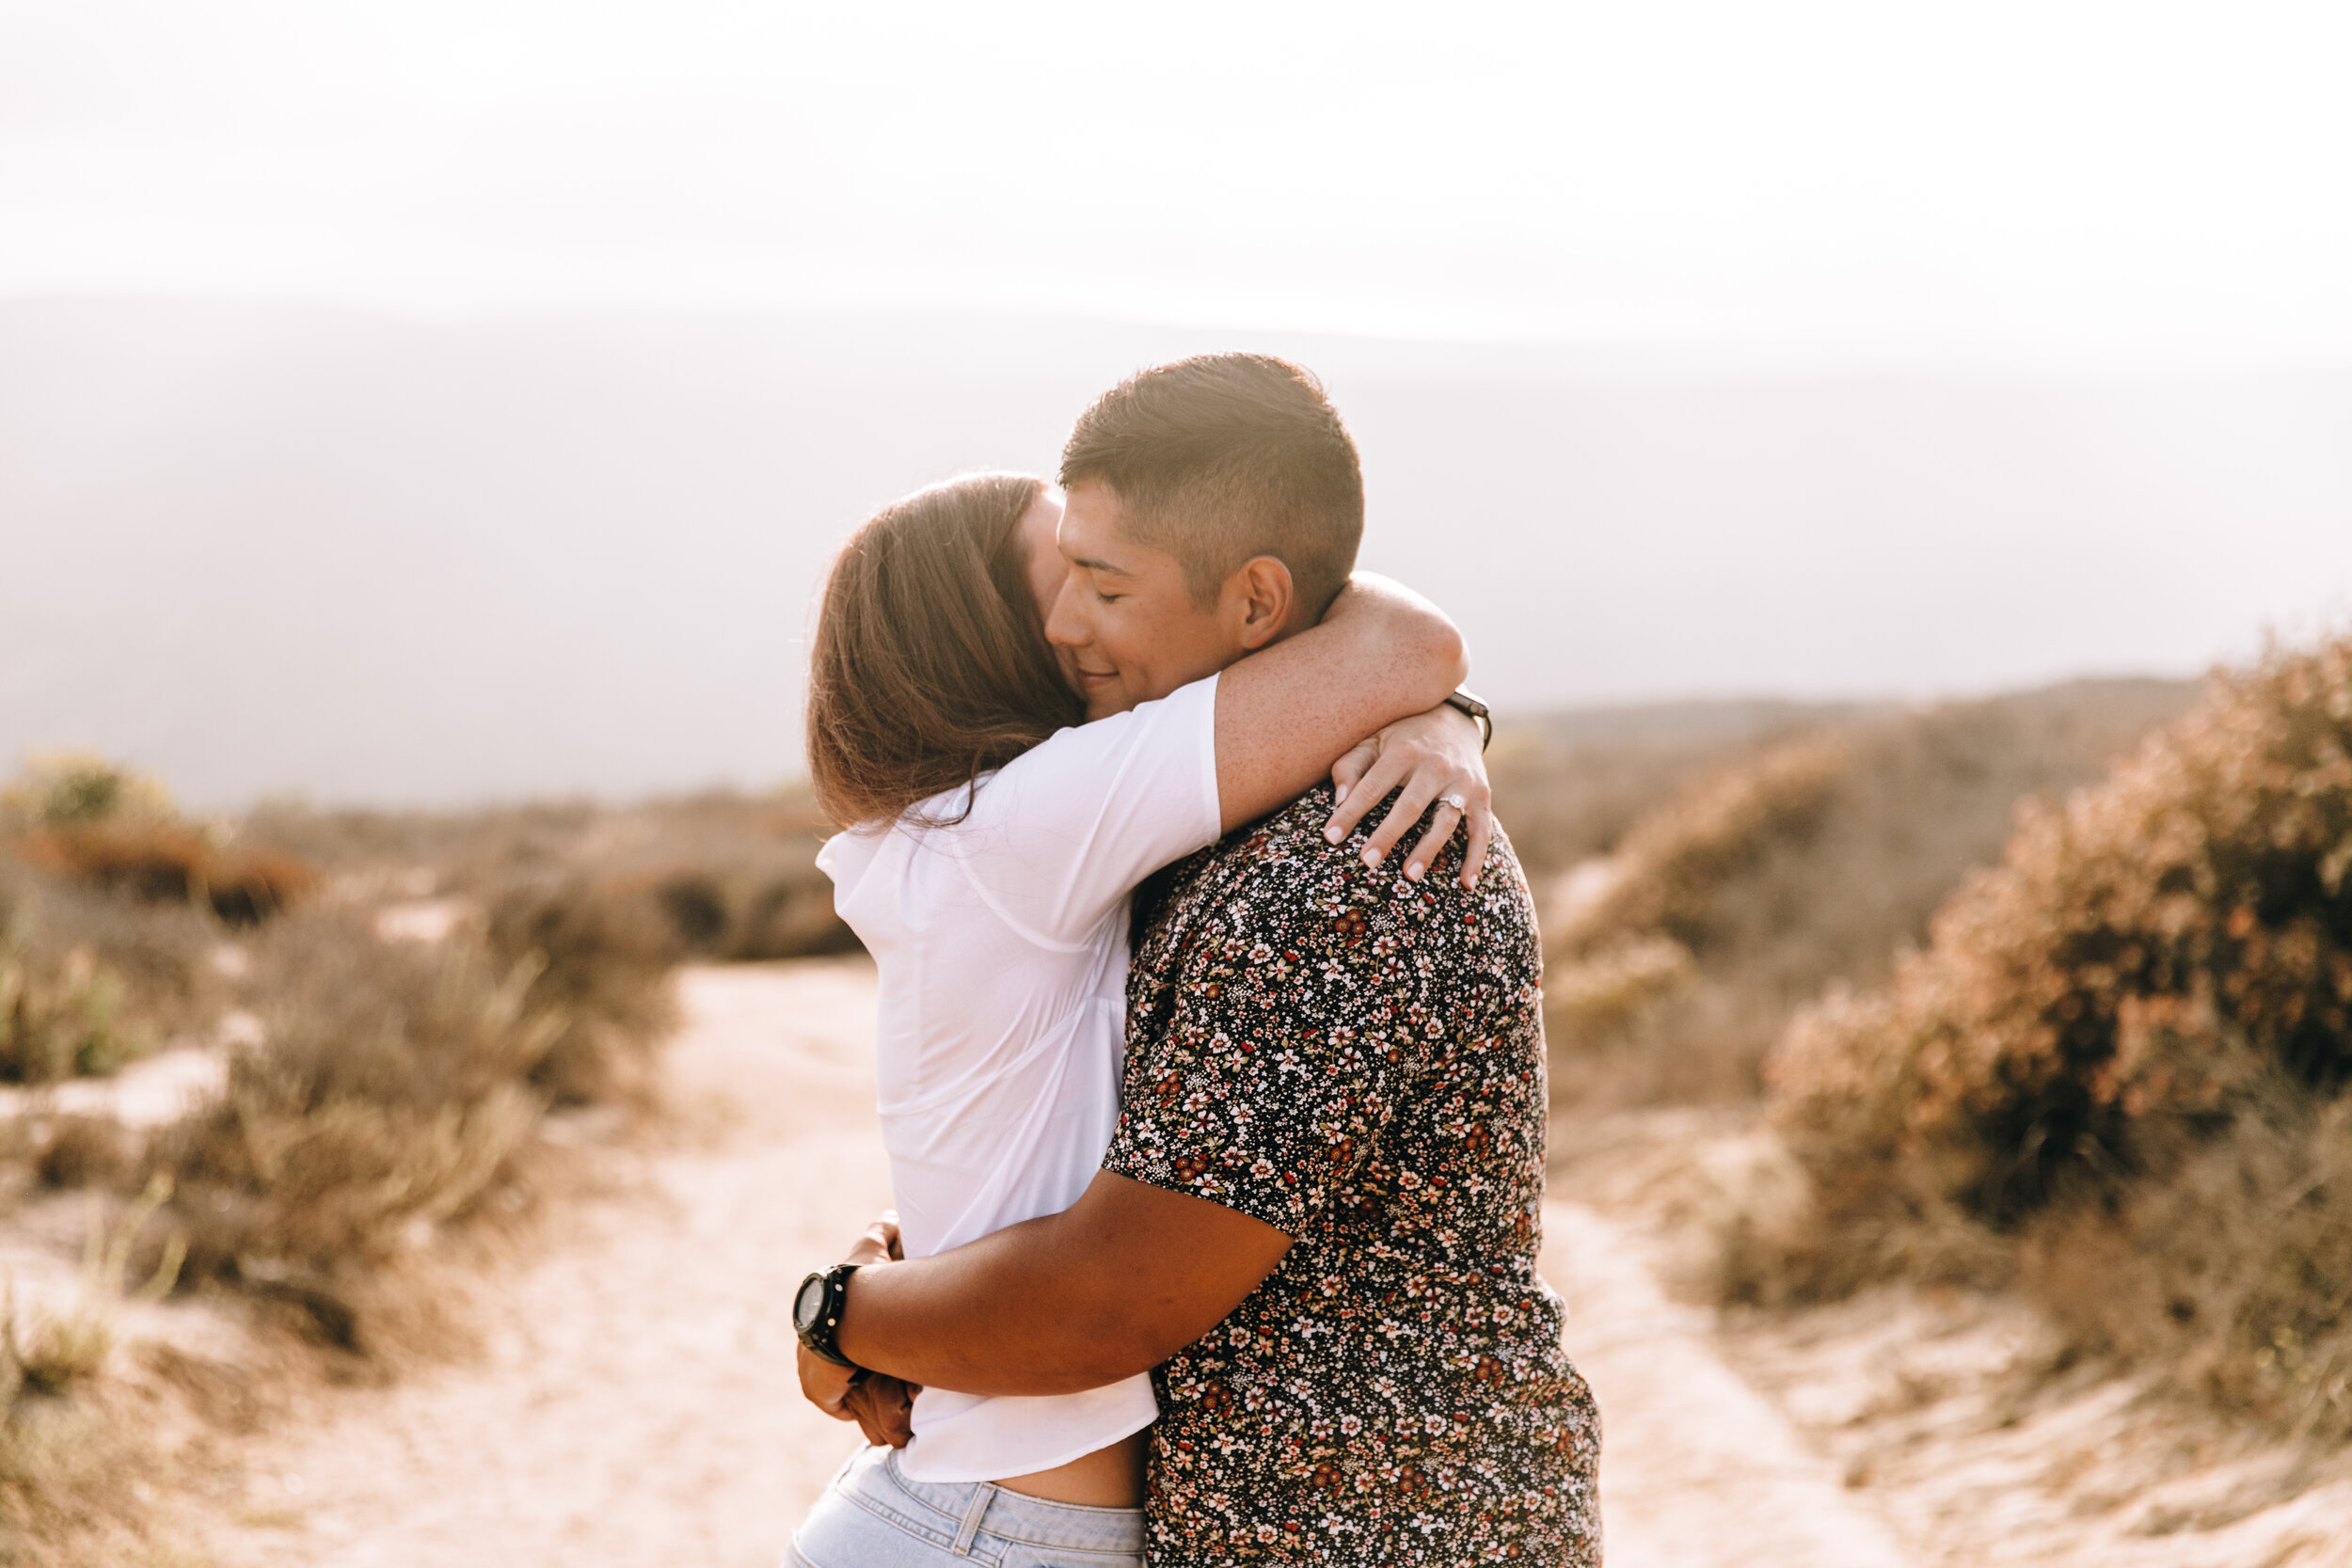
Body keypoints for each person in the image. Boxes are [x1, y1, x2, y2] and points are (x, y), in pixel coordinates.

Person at [796, 355, 1601, 1566]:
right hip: (1021, 1527)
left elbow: (1105, 1296)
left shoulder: (1346, 861)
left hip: (1383, 1533)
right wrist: (1430, 702)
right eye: (1056, 585)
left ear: (1257, 601)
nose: (1073, 621)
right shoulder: (1044, 836)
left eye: (1101, 584)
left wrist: (844, 1311)